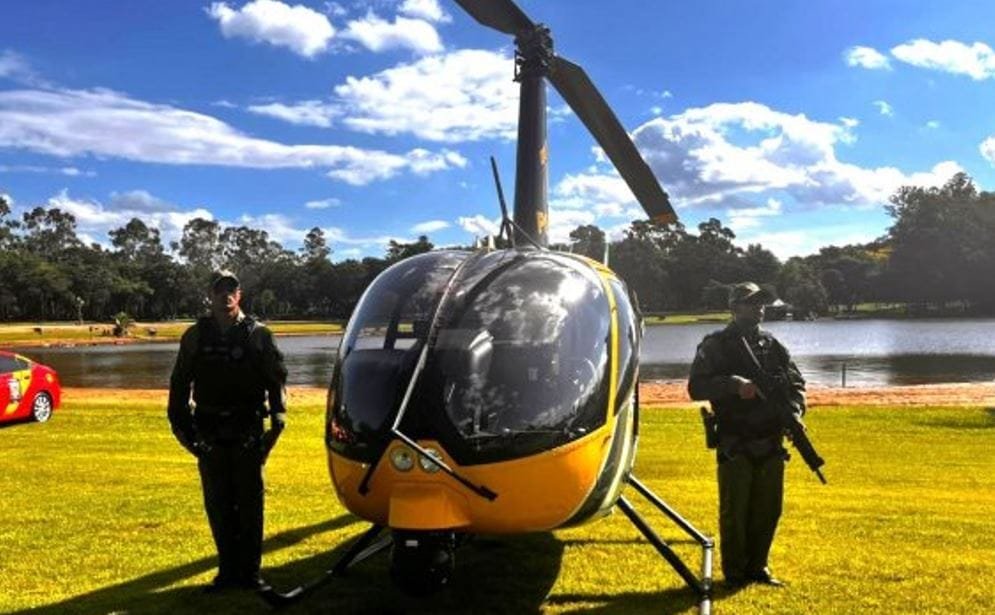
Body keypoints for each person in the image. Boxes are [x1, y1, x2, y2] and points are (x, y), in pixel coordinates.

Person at [168, 270, 288, 592]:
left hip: (247, 430)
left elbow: (276, 382)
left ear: (240, 295)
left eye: (231, 290)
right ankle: (226, 572)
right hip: (209, 433)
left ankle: (250, 574)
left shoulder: (259, 335)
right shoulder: (195, 336)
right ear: (210, 294)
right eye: (219, 290)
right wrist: (185, 432)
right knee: (218, 505)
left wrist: (276, 425)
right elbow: (179, 385)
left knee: (250, 505)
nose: (226, 296)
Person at [687, 281, 806, 588]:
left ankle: (759, 567)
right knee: (735, 511)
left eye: (762, 303)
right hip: (735, 440)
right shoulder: (715, 345)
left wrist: (795, 412)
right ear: (735, 307)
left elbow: (796, 385)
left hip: (771, 439)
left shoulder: (773, 345)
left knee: (769, 508)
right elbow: (696, 387)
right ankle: (735, 572)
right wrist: (733, 385)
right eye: (752, 303)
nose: (760, 308)